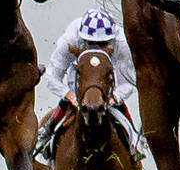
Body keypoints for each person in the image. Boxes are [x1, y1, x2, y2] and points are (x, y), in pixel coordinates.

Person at [33, 8, 138, 157]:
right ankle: (46, 133)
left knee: (119, 104)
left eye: (102, 44)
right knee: (68, 99)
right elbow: (52, 76)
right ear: (82, 40)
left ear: (111, 40)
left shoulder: (122, 44)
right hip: (78, 81)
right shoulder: (70, 39)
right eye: (90, 43)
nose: (96, 48)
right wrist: (70, 95)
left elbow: (127, 81)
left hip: (108, 83)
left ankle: (136, 143)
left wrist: (114, 97)